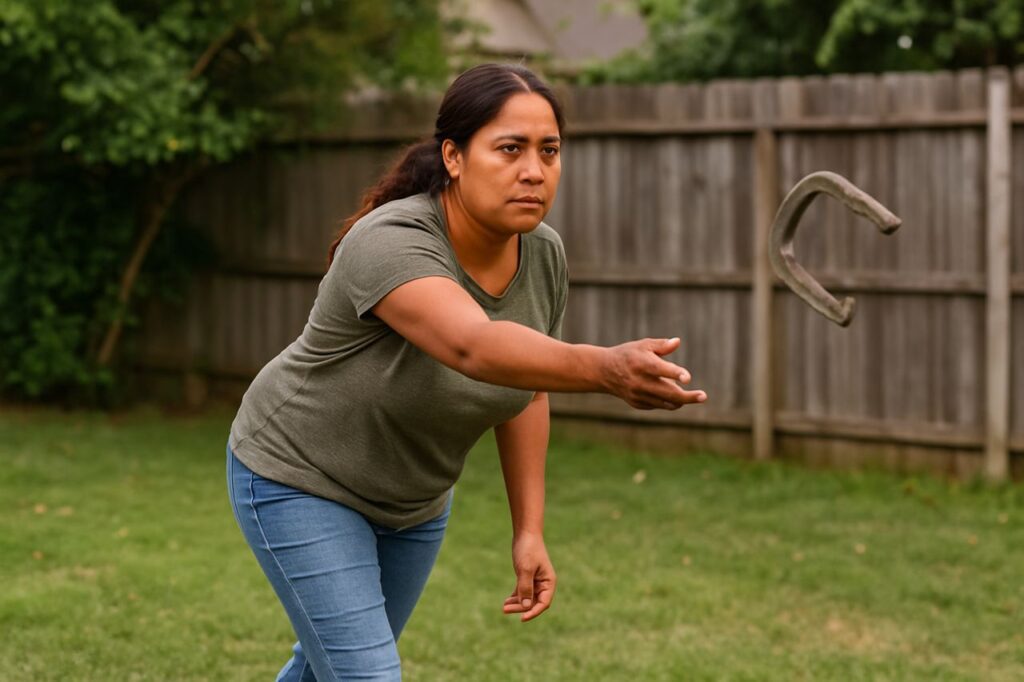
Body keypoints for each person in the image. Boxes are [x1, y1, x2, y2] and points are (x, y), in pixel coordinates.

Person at [226, 62, 707, 682]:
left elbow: (528, 387)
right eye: (510, 149)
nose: (534, 170)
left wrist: (529, 530)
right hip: (298, 475)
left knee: (331, 672)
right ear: (453, 156)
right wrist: (604, 367)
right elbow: (473, 346)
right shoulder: (390, 240)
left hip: (414, 502)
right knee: (366, 675)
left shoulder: (542, 253)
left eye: (549, 150)